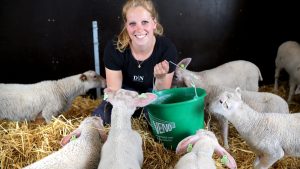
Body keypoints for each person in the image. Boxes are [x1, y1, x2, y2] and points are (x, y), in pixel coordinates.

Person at [92, 0, 178, 124]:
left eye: (145, 22)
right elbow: (114, 92)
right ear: (126, 26)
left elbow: (161, 96)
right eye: (132, 23)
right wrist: (129, 106)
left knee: (161, 121)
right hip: (124, 95)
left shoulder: (167, 49)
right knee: (102, 117)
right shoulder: (114, 48)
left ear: (154, 23)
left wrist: (160, 78)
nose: (139, 29)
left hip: (151, 95)